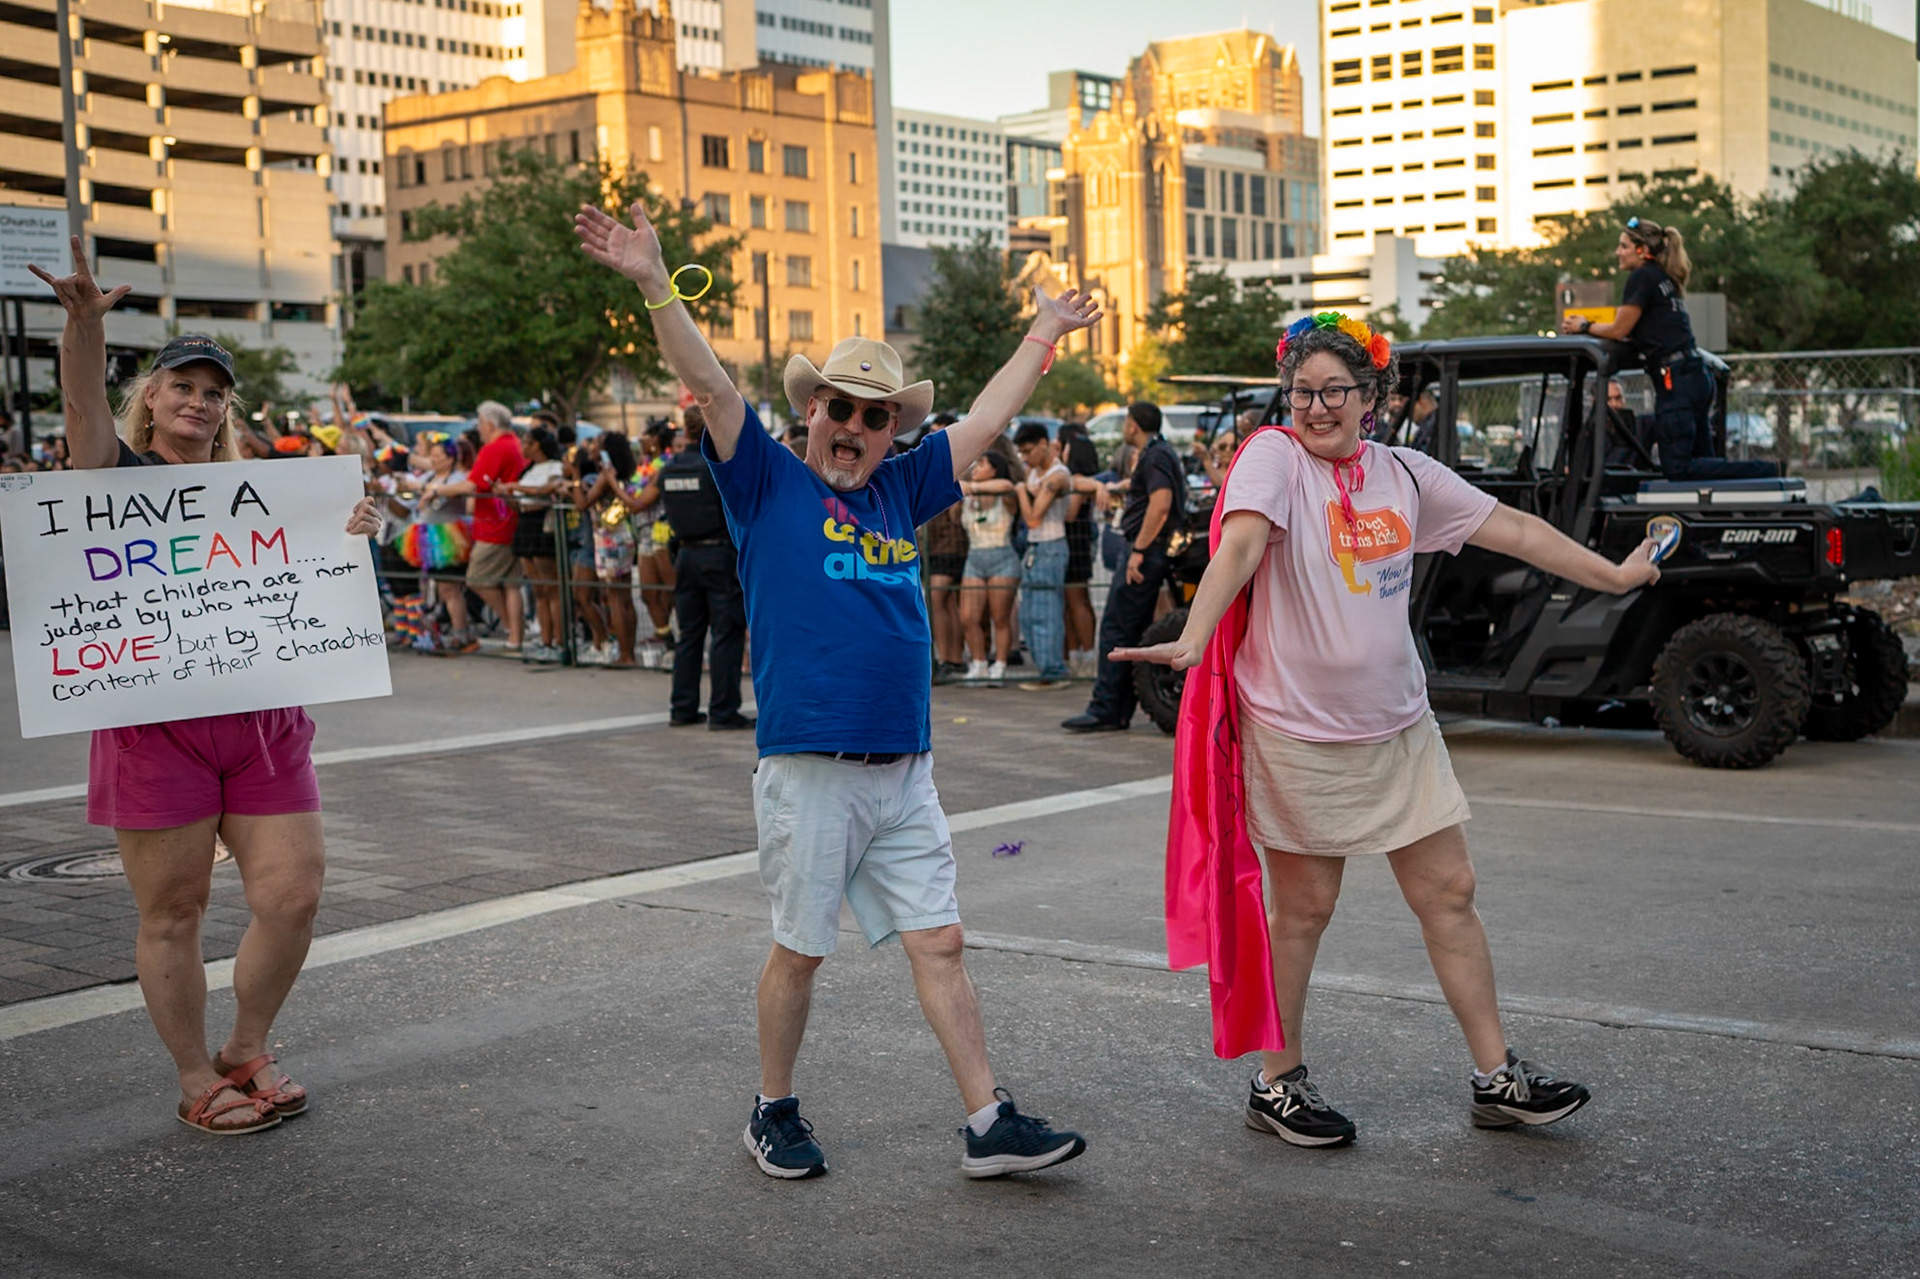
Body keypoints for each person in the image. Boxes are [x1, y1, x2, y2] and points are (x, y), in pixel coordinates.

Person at [577, 199, 1098, 1180]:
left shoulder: (905, 485)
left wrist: (1044, 332)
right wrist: (653, 283)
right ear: (812, 411)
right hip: (811, 766)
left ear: (893, 428)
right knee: (801, 948)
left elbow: (987, 420)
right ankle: (771, 1108)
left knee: (941, 942)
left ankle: (988, 1121)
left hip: (904, 768)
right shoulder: (766, 481)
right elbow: (709, 383)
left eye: (877, 414)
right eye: (841, 408)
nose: (856, 426)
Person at [1117, 312, 1664, 1147]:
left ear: (1372, 396)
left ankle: (1497, 1078)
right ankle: (1277, 1082)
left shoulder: (1405, 474)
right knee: (1304, 909)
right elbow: (1241, 544)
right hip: (1298, 732)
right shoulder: (1273, 456)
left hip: (1400, 726)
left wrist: (1615, 576)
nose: (1316, 407)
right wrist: (1195, 635)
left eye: (1335, 391)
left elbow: (1517, 530)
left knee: (1451, 892)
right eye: (1303, 392)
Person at [29, 241, 381, 1135]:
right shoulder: (115, 478)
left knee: (293, 894)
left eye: (213, 392)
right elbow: (81, 407)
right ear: (150, 396)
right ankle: (195, 1078)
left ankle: (245, 1046)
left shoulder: (265, 491)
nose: (198, 400)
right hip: (154, 724)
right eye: (181, 385)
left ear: (227, 408)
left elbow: (315, 579)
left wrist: (351, 532)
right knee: (174, 910)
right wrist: (83, 327)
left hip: (264, 720)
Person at [1559, 217, 1776, 482]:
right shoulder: (1663, 279)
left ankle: (1767, 471)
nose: (1618, 252)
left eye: (1624, 246)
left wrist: (1584, 325)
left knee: (1678, 469)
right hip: (1695, 376)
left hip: (1677, 382)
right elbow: (1643, 331)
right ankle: (1744, 492)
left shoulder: (1642, 277)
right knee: (1705, 468)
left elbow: (1619, 329)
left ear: (1642, 250)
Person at [1062, 402, 1185, 732]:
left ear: (1133, 425)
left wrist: (1139, 551)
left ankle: (1106, 708)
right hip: (1150, 549)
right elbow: (1148, 491)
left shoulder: (1155, 455)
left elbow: (1160, 505)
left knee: (1117, 628)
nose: (1123, 428)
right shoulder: (1159, 453)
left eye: (1126, 422)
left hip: (1147, 551)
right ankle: (1117, 708)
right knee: (1131, 629)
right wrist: (1116, 487)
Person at [624, 406, 750, 729]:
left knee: (689, 635)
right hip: (719, 555)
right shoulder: (716, 467)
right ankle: (723, 710)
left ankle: (682, 708)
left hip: (685, 556)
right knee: (726, 633)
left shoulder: (670, 469)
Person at [425, 402, 527, 650]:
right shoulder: (514, 444)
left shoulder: (495, 448)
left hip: (495, 525)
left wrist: (436, 490)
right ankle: (515, 638)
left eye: (480, 423)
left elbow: (471, 485)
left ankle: (510, 628)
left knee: (477, 579)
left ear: (490, 424)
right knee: (511, 584)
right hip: (508, 521)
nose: (479, 429)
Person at [1011, 422, 1071, 689]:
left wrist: (1021, 492)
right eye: (1022, 453)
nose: (1025, 458)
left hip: (1050, 546)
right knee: (1029, 613)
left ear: (1043, 444)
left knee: (1047, 612)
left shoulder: (1057, 475)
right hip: (1035, 549)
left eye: (1028, 451)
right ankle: (1045, 668)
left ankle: (1052, 670)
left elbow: (1034, 519)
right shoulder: (1034, 471)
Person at [500, 425, 567, 661]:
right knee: (538, 590)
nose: (522, 447)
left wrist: (514, 487)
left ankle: (560, 640)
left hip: (542, 527)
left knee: (551, 588)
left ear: (536, 445)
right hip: (525, 524)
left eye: (526, 442)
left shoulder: (555, 467)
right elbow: (521, 502)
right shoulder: (528, 470)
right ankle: (545, 639)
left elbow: (546, 491)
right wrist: (506, 495)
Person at [574, 431, 641, 667]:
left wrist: (575, 478)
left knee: (615, 598)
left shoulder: (606, 476)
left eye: (597, 444)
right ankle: (629, 652)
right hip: (623, 536)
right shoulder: (624, 473)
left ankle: (625, 655)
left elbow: (582, 504)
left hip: (607, 539)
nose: (592, 447)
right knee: (625, 597)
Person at [954, 451, 1022, 685]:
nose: (976, 468)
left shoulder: (1003, 492)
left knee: (1000, 616)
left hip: (1002, 555)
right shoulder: (969, 495)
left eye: (981, 464)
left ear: (994, 469)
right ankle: (979, 662)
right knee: (968, 616)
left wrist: (971, 487)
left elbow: (1007, 485)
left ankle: (1000, 664)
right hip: (975, 556)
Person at [916, 414, 970, 681]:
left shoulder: (956, 465)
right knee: (944, 602)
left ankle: (950, 657)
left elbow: (954, 511)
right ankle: (950, 657)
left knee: (940, 601)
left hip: (949, 543)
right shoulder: (933, 467)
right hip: (937, 543)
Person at [1057, 423, 1103, 676]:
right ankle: (1077, 652)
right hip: (1077, 541)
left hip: (1075, 542)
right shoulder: (1081, 478)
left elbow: (1070, 514)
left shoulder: (1078, 480)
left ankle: (1086, 653)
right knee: (1073, 600)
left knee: (1077, 600)